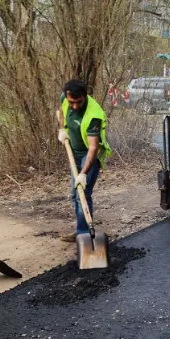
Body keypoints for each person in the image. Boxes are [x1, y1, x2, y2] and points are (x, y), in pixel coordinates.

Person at [57, 80, 113, 242]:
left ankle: (84, 234)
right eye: (71, 102)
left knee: (83, 192)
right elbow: (61, 110)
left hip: (88, 156)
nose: (74, 106)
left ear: (85, 95)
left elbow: (93, 148)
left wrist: (83, 173)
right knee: (75, 193)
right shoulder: (64, 98)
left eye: (78, 102)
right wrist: (62, 128)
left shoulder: (94, 115)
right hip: (73, 152)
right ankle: (81, 231)